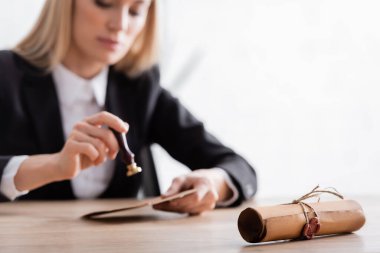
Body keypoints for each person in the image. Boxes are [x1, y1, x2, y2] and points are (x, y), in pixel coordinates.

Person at [0, 0, 257, 214]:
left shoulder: (139, 88)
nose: (120, 25)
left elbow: (237, 166)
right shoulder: (6, 76)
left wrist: (214, 182)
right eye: (104, 3)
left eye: (135, 11)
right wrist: (53, 166)